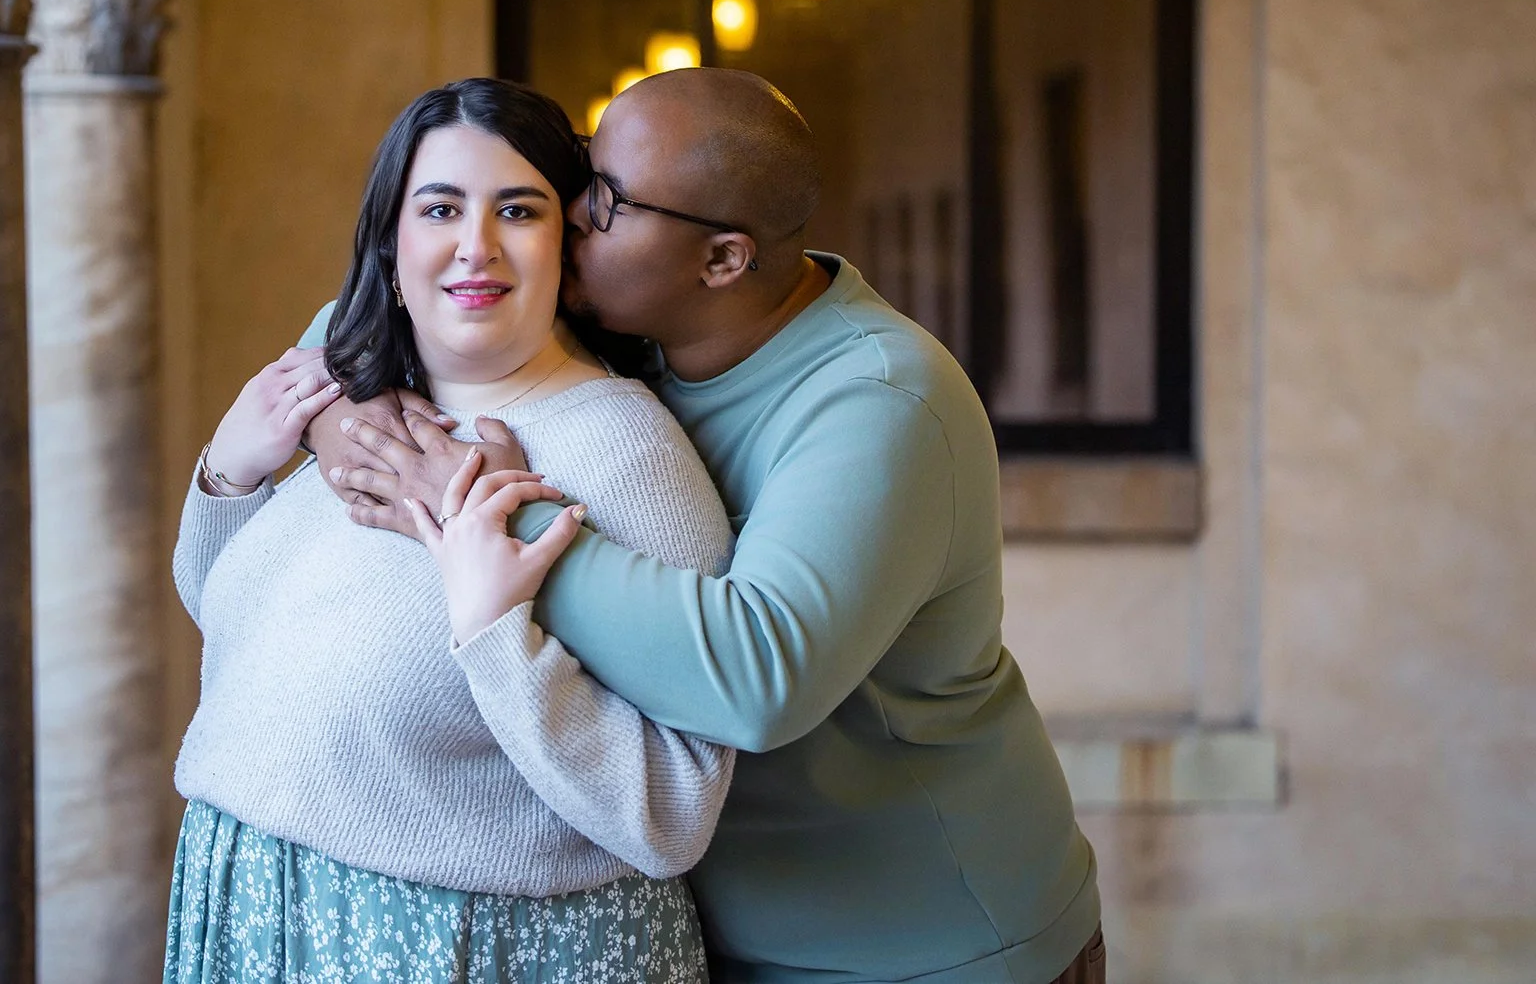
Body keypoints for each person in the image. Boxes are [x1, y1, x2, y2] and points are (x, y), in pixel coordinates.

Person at [307, 67, 1106, 984]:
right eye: (583, 176)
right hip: (710, 931)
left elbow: (756, 675)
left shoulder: (881, 400)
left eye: (606, 200)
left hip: (928, 942)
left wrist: (487, 514)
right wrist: (334, 411)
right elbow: (362, 324)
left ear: (722, 259)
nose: (570, 214)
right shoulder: (643, 330)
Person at [165, 77, 738, 983]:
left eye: (518, 209)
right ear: (391, 248)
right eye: (440, 208)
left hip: (460, 947)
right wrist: (228, 475)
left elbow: (672, 811)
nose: (476, 247)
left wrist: (495, 628)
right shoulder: (367, 408)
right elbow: (249, 642)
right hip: (257, 907)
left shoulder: (622, 454)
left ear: (569, 250)